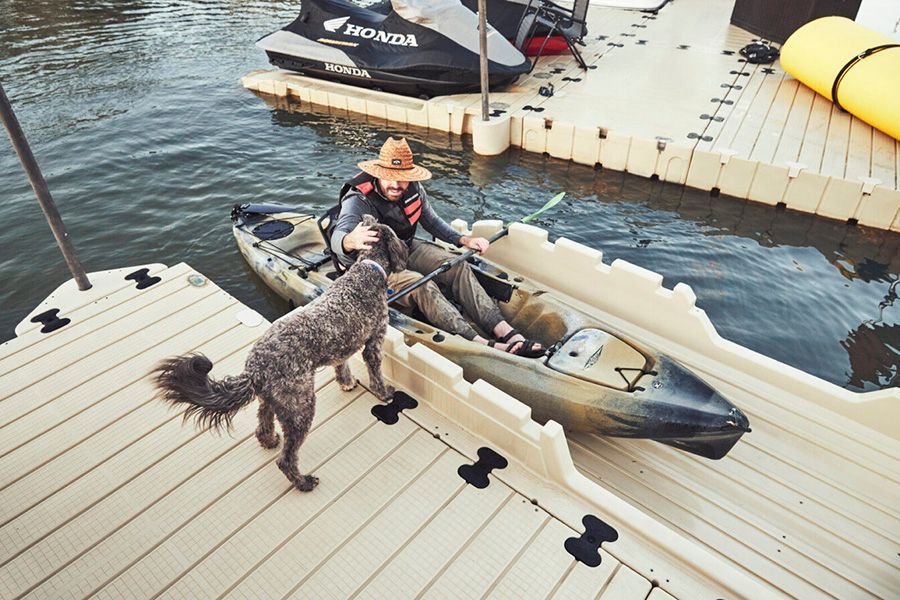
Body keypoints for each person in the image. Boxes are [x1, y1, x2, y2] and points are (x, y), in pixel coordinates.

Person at [330, 137, 543, 357]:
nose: (396, 185)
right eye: (390, 177)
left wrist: (464, 240)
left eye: (402, 178)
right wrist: (350, 240)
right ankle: (477, 341)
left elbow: (431, 221)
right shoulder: (358, 199)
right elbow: (338, 238)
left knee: (456, 265)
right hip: (373, 267)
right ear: (379, 172)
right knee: (422, 284)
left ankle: (503, 329)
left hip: (404, 247)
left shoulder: (413, 189)